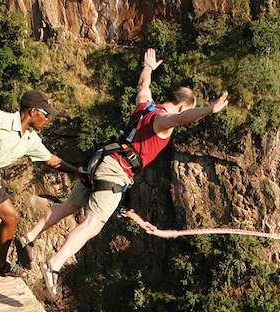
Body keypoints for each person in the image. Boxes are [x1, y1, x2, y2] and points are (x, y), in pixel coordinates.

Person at [18, 48, 229, 297]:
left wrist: (148, 67)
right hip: (116, 171)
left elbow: (142, 86)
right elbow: (178, 121)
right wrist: (207, 110)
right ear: (181, 107)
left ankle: (29, 237)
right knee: (92, 224)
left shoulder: (146, 106)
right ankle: (54, 265)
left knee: (69, 206)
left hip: (100, 159)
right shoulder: (162, 120)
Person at [0, 90, 84, 277]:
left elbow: (52, 160)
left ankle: (1, 265)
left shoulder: (29, 139)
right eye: (46, 114)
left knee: (11, 217)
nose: (48, 119)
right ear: (33, 111)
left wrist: (79, 172)